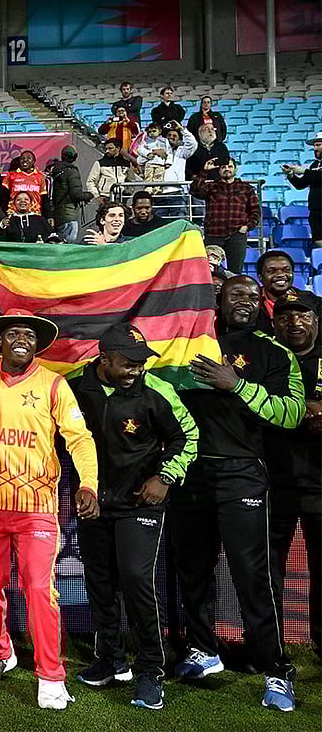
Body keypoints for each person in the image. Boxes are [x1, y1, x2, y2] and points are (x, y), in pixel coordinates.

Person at [177, 275, 304, 711]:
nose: (247, 302)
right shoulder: (192, 341)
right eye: (237, 295)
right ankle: (203, 650)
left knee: (253, 579)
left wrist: (238, 385)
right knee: (192, 572)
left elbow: (291, 414)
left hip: (243, 476)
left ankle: (275, 671)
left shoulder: (276, 353)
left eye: (253, 296)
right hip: (190, 474)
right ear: (220, 300)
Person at [0, 309, 99, 711]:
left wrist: (89, 483)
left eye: (28, 335)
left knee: (40, 590)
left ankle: (50, 675)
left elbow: (79, 438)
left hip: (36, 507)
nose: (21, 340)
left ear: (37, 345)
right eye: (13, 334)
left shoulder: (54, 385)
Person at [68, 323, 198, 711]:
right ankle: (109, 659)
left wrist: (165, 477)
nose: (136, 370)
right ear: (103, 359)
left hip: (141, 503)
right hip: (94, 501)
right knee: (100, 582)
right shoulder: (77, 388)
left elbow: (188, 437)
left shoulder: (156, 391)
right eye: (128, 363)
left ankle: (150, 671)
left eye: (142, 363)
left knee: (137, 580)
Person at [268, 294, 320, 660]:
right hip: (275, 479)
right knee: (269, 569)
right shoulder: (266, 359)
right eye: (285, 316)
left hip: (320, 481)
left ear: (316, 318)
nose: (294, 322)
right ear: (274, 324)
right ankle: (270, 646)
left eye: (302, 314)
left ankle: (320, 642)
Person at [190, 157, 259, 273]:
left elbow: (255, 211)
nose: (227, 169)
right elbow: (194, 190)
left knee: (235, 272)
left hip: (236, 235)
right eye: (223, 167)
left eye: (230, 166)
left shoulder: (246, 188)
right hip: (213, 235)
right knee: (209, 271)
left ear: (235, 170)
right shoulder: (211, 187)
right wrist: (205, 171)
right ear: (219, 170)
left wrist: (247, 227)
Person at [255, 250, 321, 334]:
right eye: (271, 271)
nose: (280, 275)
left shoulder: (311, 300)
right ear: (260, 277)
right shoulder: (253, 302)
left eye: (286, 270)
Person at [48, 145, 94, 241]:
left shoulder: (56, 170)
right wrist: (90, 195)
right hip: (69, 213)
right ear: (75, 156)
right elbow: (76, 194)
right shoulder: (72, 171)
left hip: (58, 212)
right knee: (69, 242)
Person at [284, 130, 322, 245]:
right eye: (314, 145)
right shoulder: (315, 165)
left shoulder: (311, 168)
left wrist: (305, 171)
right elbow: (301, 185)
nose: (315, 148)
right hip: (315, 210)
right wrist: (291, 174)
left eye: (318, 145)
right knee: (318, 241)